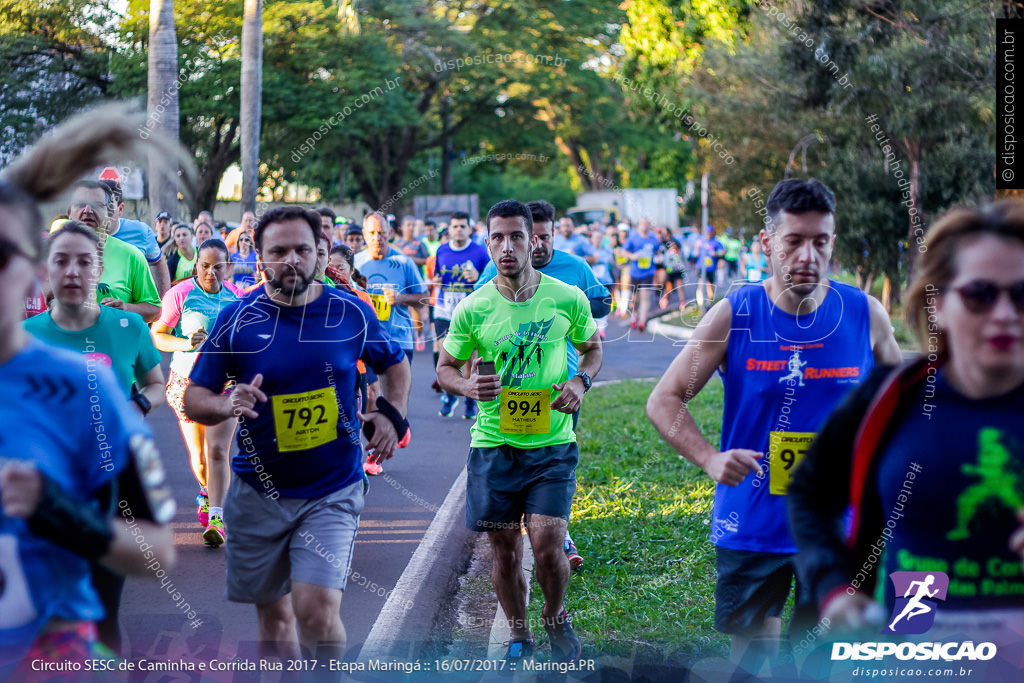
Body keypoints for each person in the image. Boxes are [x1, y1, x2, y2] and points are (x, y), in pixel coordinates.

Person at [645, 178, 902, 675]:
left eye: (820, 241)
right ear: (767, 244)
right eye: (794, 240)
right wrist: (709, 458)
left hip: (838, 528)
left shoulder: (864, 315)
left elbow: (904, 405)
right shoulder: (736, 316)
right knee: (753, 663)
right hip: (752, 524)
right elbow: (664, 398)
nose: (808, 254)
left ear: (833, 241)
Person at [788, 200, 1024, 680]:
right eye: (980, 294)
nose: (1004, 314)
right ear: (939, 303)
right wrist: (834, 587)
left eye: (1023, 294)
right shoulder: (892, 396)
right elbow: (809, 493)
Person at [183, 206, 411, 665]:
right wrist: (227, 403)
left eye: (302, 249)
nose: (292, 259)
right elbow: (194, 398)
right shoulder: (238, 318)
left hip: (332, 488)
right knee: (275, 622)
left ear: (318, 254)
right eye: (278, 251)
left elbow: (395, 362)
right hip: (257, 491)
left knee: (316, 612)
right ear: (260, 258)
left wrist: (392, 415)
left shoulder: (350, 311)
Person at [0, 103, 177, 675]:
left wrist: (54, 512)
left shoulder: (87, 384)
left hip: (55, 648)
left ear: (29, 269)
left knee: (106, 621)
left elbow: (158, 551)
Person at [437, 199, 602, 663]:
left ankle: (555, 614)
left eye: (515, 236)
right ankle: (518, 633)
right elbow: (445, 367)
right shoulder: (473, 308)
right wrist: (468, 386)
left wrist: (579, 380)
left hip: (551, 445)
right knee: (504, 552)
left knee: (549, 546)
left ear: (534, 240)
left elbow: (592, 349)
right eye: (497, 237)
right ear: (487, 243)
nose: (506, 246)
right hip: (494, 446)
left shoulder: (566, 297)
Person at [23, 220, 167, 652]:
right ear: (47, 270)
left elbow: (155, 385)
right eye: (61, 261)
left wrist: (137, 406)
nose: (72, 271)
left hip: (111, 491)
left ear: (98, 270)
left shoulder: (128, 328)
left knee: (104, 609)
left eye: (84, 262)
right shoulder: (26, 338)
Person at [153, 238, 238, 548]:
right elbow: (158, 335)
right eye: (205, 266)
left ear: (228, 268)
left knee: (218, 452)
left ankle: (216, 517)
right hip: (186, 382)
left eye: (218, 267)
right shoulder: (181, 294)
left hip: (224, 385)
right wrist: (186, 342)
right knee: (199, 458)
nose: (211, 273)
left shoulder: (236, 298)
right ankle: (205, 491)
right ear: (196, 266)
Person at [65, 181, 161, 322]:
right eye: (80, 204)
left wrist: (126, 309)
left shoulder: (131, 256)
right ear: (69, 212)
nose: (87, 210)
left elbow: (154, 310)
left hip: (115, 342)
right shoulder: (48, 254)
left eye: (97, 205)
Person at [433, 211, 490, 419]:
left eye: (462, 226)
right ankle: (449, 394)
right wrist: (437, 282)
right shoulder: (441, 250)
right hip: (444, 309)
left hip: (469, 311)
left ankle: (468, 400)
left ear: (469, 229)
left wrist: (477, 277)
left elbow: (490, 280)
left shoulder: (480, 252)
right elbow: (438, 276)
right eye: (455, 226)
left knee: (470, 359)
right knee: (443, 353)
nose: (458, 230)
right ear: (449, 229)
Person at [354, 212, 428, 370]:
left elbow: (425, 298)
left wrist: (401, 297)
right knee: (370, 394)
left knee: (397, 395)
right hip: (365, 341)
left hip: (398, 341)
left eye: (381, 233)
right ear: (364, 234)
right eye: (372, 233)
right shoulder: (355, 263)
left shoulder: (403, 262)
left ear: (390, 233)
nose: (377, 238)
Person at [99, 174, 171, 296]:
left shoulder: (141, 232)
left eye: (109, 206)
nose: (103, 212)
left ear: (120, 209)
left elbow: (158, 261)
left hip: (129, 311)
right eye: (98, 205)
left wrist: (163, 299)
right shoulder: (80, 233)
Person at [620, 218, 662, 332]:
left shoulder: (653, 239)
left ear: (649, 226)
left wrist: (658, 256)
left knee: (645, 298)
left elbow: (659, 251)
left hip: (648, 272)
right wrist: (632, 256)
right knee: (635, 300)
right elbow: (623, 251)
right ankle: (635, 316)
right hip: (634, 273)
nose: (644, 226)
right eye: (642, 224)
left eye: (646, 224)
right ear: (639, 226)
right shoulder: (633, 238)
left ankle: (642, 322)